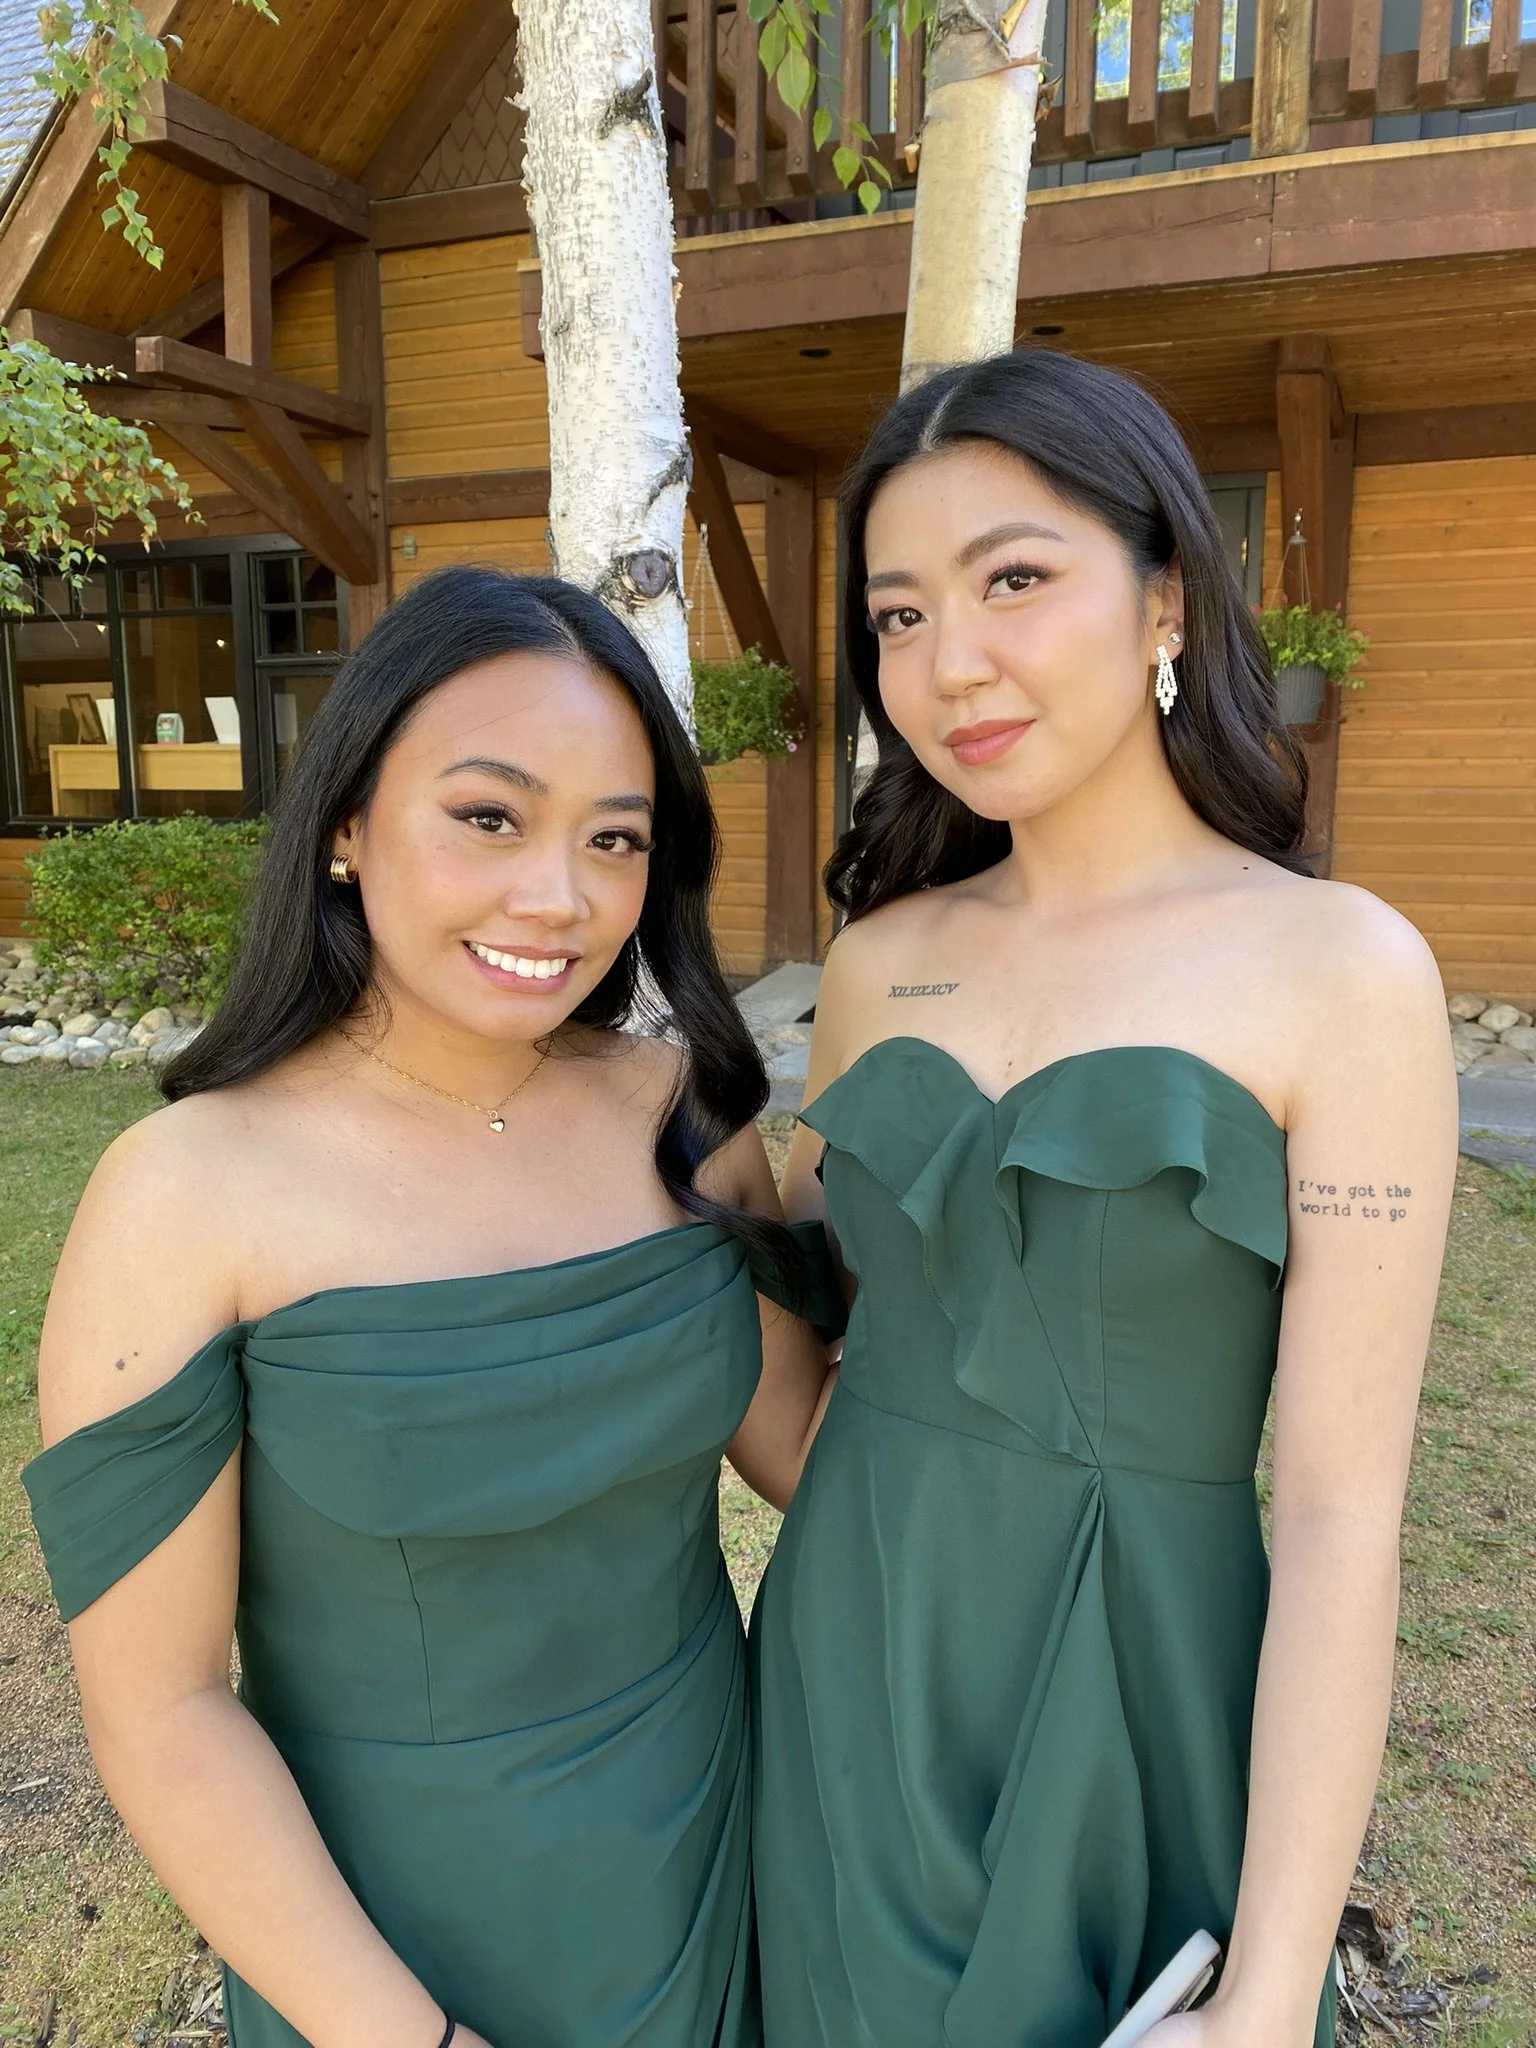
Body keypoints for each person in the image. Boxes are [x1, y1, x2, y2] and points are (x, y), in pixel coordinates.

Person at [25, 567, 839, 2048]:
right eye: (490, 817)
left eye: (616, 840)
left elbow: (818, 1457)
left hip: (716, 1847)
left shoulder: (689, 1115)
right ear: (346, 824)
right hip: (392, 1939)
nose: (561, 895)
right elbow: (161, 1708)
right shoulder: (188, 1190)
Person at [750, 351, 1457, 2048]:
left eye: (1013, 580)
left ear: (1162, 597)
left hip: (1144, 1690)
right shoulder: (879, 960)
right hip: (854, 1672)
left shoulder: (1340, 970)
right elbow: (827, 1347)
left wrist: (1274, 1994)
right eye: (899, 616)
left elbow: (1347, 1518)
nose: (949, 664)